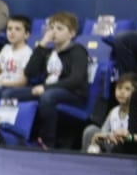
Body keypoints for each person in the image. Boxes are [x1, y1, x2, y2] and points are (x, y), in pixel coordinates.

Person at [19, 12, 90, 148]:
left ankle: (47, 143)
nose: (54, 32)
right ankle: (14, 137)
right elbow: (29, 72)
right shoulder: (48, 51)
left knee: (48, 97)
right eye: (51, 28)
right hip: (48, 90)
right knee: (8, 94)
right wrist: (43, 44)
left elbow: (76, 79)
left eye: (59, 28)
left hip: (73, 94)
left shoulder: (78, 50)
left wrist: (46, 88)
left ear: (72, 33)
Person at [85, 72, 137, 153]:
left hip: (127, 145)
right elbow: (103, 131)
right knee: (90, 131)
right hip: (110, 142)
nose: (122, 92)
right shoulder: (113, 111)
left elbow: (134, 137)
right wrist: (106, 136)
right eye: (119, 88)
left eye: (127, 89)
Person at [0, 15, 35, 93]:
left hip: (9, 87)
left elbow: (22, 82)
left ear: (26, 35)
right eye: (9, 29)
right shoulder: (6, 48)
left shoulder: (27, 53)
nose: (12, 32)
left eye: (17, 29)